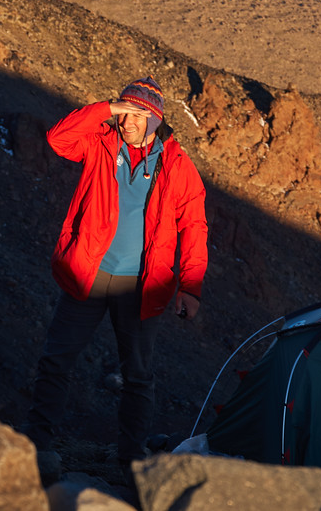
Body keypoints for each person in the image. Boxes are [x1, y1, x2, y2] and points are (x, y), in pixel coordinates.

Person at [24, 76, 209, 468]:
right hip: (87, 275)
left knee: (138, 376)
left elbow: (194, 225)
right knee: (56, 360)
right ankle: (38, 446)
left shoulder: (176, 165)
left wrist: (190, 286)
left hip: (142, 286)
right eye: (123, 113)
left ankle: (129, 460)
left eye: (136, 115)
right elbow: (59, 139)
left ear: (154, 120)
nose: (127, 122)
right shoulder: (101, 143)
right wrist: (107, 109)